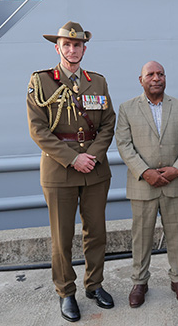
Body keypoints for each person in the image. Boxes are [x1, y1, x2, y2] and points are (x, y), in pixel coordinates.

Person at [26, 21, 116, 322]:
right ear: (58, 48)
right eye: (67, 44)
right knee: (62, 237)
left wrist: (91, 155)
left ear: (84, 49)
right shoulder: (41, 81)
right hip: (59, 170)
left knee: (97, 233)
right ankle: (66, 291)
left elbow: (107, 123)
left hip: (95, 168)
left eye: (77, 45)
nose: (72, 49)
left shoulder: (98, 82)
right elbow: (38, 129)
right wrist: (72, 158)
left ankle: (94, 285)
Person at [115, 61, 178, 308]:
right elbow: (124, 144)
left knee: (177, 234)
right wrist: (145, 172)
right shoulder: (127, 109)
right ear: (140, 79)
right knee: (141, 237)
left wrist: (177, 169)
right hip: (143, 185)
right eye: (150, 74)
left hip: (176, 184)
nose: (156, 78)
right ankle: (139, 282)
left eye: (160, 74)